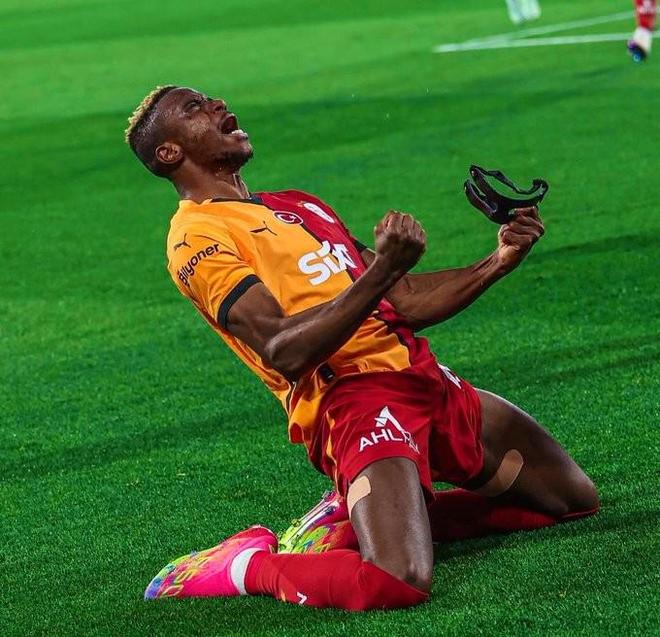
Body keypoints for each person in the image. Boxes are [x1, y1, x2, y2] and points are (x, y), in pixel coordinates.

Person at [125, 86, 599, 611]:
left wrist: (498, 261)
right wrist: (383, 270)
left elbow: (405, 299)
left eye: (211, 99)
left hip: (420, 376)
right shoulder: (196, 238)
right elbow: (282, 348)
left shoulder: (298, 205)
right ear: (169, 152)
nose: (216, 105)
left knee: (571, 500)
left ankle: (354, 525)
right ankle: (244, 565)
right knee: (397, 579)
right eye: (194, 107)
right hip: (353, 401)